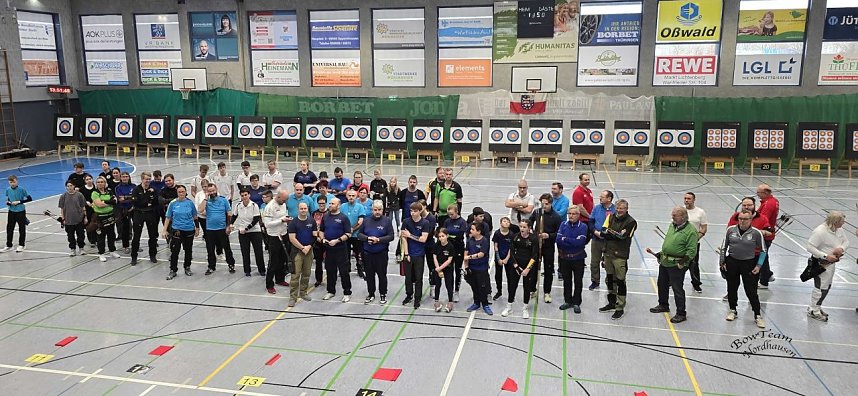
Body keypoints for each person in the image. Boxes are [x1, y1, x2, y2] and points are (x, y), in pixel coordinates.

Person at [648, 207, 698, 324]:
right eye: (672, 215)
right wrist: (661, 254)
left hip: (677, 264)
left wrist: (682, 262)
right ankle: (663, 305)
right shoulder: (672, 225)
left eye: (675, 215)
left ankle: (681, 313)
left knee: (677, 288)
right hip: (665, 261)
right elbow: (669, 242)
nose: (672, 217)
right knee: (662, 284)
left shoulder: (691, 231)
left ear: (683, 217)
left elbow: (691, 251)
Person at [720, 209, 767, 328]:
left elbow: (763, 250)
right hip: (732, 262)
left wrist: (758, 265)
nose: (742, 221)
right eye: (740, 219)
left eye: (745, 219)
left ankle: (757, 315)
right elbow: (724, 247)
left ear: (751, 220)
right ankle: (733, 310)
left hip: (748, 264)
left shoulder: (756, 233)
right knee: (732, 288)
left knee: (751, 291)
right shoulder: (730, 230)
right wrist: (722, 262)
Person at [806, 211, 849, 322]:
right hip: (821, 263)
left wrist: (841, 249)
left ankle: (817, 306)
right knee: (820, 287)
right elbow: (810, 247)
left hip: (831, 264)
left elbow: (846, 241)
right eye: (842, 221)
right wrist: (825, 256)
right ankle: (814, 311)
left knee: (827, 286)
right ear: (835, 222)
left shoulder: (839, 230)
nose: (843, 223)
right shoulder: (820, 231)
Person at [597, 199, 636, 320]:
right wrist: (615, 233)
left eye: (622, 208)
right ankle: (612, 302)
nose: (619, 210)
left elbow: (623, 237)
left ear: (626, 209)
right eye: (618, 208)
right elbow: (603, 232)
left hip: (620, 256)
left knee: (620, 281)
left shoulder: (631, 222)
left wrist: (611, 232)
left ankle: (620, 307)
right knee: (609, 279)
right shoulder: (610, 217)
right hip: (608, 254)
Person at [358, 200, 395, 305]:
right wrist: (367, 238)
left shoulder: (387, 221)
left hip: (381, 254)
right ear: (372, 210)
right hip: (368, 253)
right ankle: (371, 294)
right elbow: (359, 235)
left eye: (379, 210)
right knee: (369, 275)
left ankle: (383, 294)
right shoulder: (366, 221)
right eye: (375, 210)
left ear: (382, 210)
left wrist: (379, 240)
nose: (377, 212)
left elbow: (391, 236)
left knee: (382, 275)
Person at [556, 206, 589, 314]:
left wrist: (565, 239)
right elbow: (558, 240)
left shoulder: (583, 226)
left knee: (578, 281)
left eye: (573, 214)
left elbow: (580, 243)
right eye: (569, 213)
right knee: (567, 281)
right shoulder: (563, 224)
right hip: (565, 258)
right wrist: (572, 240)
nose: (571, 216)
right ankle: (568, 301)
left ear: (578, 215)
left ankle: (576, 303)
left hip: (578, 259)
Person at [198, 182, 236, 275]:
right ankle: (211, 267)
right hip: (210, 229)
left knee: (226, 248)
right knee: (210, 249)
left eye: (213, 190)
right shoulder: (206, 201)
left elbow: (229, 213)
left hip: (222, 229)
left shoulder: (223, 200)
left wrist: (228, 226)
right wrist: (205, 198)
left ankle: (231, 264)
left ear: (216, 190)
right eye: (210, 191)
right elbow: (200, 210)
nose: (212, 192)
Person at [320, 198, 352, 302]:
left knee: (343, 272)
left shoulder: (343, 218)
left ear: (338, 206)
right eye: (329, 203)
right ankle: (330, 291)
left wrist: (337, 240)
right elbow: (321, 230)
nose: (330, 205)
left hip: (341, 249)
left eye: (332, 203)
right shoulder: (325, 216)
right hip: (329, 249)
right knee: (330, 270)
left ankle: (347, 292)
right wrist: (323, 239)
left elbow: (348, 234)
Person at [163, 185, 198, 280]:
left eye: (183, 191)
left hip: (189, 230)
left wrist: (197, 228)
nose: (181, 193)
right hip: (177, 230)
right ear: (177, 193)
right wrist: (164, 230)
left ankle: (187, 267)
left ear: (186, 192)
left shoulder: (190, 203)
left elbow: (195, 217)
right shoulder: (173, 203)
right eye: (179, 192)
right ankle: (173, 270)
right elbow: (168, 217)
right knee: (175, 251)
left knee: (188, 250)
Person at [532, 194, 562, 303]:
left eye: (546, 204)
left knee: (548, 270)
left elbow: (559, 233)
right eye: (542, 203)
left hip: (548, 246)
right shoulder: (537, 212)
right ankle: (533, 289)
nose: (544, 206)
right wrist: (533, 233)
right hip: (536, 245)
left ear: (551, 203)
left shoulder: (556, 217)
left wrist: (548, 235)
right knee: (534, 268)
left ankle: (547, 292)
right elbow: (530, 223)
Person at [401, 202, 430, 309]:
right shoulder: (406, 222)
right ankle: (409, 295)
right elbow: (403, 238)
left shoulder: (425, 223)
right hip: (409, 254)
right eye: (411, 211)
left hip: (419, 255)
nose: (412, 213)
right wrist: (406, 253)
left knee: (418, 278)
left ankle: (417, 298)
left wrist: (410, 235)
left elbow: (423, 239)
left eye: (415, 211)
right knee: (408, 277)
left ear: (420, 211)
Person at [288, 202, 317, 307]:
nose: (303, 210)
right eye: (301, 209)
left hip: (309, 251)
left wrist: (308, 246)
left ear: (307, 209)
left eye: (305, 208)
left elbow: (314, 236)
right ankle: (293, 297)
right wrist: (302, 248)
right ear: (298, 209)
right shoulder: (293, 223)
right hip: (297, 252)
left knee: (306, 273)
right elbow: (292, 238)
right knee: (295, 275)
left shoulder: (312, 221)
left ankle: (303, 292)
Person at [510, 220, 539, 319]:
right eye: (520, 226)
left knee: (527, 287)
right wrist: (516, 266)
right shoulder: (515, 237)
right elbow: (512, 253)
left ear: (529, 228)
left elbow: (534, 256)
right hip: (516, 266)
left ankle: (525, 308)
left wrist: (527, 269)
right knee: (512, 286)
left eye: (524, 227)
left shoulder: (533, 239)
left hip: (528, 268)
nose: (521, 229)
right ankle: (509, 306)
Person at [262, 190, 290, 294]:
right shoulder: (269, 207)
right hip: (274, 236)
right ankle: (269, 284)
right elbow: (267, 224)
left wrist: (287, 220)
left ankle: (280, 279)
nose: (285, 201)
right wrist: (281, 221)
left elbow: (284, 215)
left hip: (284, 233)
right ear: (278, 197)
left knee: (282, 259)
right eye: (283, 200)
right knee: (273, 261)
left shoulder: (283, 204)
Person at [129, 172, 159, 265]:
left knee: (152, 236)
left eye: (149, 179)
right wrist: (147, 201)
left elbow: (156, 201)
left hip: (150, 213)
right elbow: (136, 203)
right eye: (146, 179)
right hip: (139, 213)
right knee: (136, 236)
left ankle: (153, 255)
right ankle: (134, 257)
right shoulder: (136, 189)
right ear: (142, 179)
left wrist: (147, 202)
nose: (148, 181)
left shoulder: (153, 189)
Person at [233, 189, 265, 277]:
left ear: (249, 195)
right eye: (242, 195)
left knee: (258, 251)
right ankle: (247, 270)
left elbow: (256, 219)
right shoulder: (238, 205)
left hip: (255, 231)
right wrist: (231, 224)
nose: (244, 197)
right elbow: (234, 216)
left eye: (246, 195)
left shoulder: (254, 205)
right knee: (245, 252)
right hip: (243, 232)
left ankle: (262, 270)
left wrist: (247, 228)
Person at [588, 190, 615, 290]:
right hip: (596, 239)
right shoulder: (596, 208)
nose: (600, 198)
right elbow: (590, 222)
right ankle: (595, 281)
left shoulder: (615, 210)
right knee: (594, 262)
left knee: (609, 263)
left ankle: (610, 282)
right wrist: (595, 232)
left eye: (602, 197)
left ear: (609, 199)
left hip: (610, 241)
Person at [464, 222, 492, 315]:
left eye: (473, 229)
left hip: (481, 268)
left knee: (482, 287)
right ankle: (476, 303)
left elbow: (481, 254)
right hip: (472, 267)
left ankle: (485, 304)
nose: (470, 231)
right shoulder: (470, 240)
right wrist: (466, 267)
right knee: (474, 286)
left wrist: (470, 257)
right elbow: (466, 252)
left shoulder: (484, 241)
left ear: (479, 231)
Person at [91, 176, 121, 262]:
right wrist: (109, 202)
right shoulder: (94, 193)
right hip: (100, 217)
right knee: (101, 236)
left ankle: (112, 251)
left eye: (102, 182)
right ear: (96, 184)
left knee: (111, 234)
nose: (100, 183)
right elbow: (99, 204)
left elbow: (115, 201)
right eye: (98, 182)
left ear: (105, 183)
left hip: (110, 215)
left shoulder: (109, 191)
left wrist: (105, 202)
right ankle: (101, 253)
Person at [683, 192, 708, 293]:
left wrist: (695, 239)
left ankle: (696, 283)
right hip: (681, 243)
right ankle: (673, 281)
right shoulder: (680, 211)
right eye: (685, 198)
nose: (686, 200)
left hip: (693, 243)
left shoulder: (700, 212)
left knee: (693, 264)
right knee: (677, 262)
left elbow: (704, 228)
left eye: (689, 198)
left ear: (694, 200)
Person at [443, 204, 468, 302]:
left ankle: (456, 290)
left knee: (457, 270)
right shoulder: (447, 221)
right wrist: (451, 234)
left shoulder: (462, 222)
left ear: (457, 212)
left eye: (452, 214)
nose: (450, 216)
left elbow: (460, 234)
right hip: (449, 248)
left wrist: (450, 234)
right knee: (449, 270)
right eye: (449, 214)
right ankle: (450, 290)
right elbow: (444, 232)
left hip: (458, 248)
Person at [756, 184, 779, 288]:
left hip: (765, 235)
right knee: (764, 255)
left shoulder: (768, 204)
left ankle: (764, 281)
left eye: (759, 192)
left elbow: (762, 219)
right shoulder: (773, 201)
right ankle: (768, 274)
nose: (757, 194)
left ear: (765, 193)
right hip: (767, 233)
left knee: (762, 256)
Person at [2, 175, 31, 253]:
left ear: (17, 181)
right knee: (9, 228)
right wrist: (8, 202)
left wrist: (19, 202)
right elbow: (9, 198)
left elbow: (29, 198)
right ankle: (9, 245)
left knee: (21, 228)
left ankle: (22, 245)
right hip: (11, 211)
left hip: (20, 211)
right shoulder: (8, 190)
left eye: (14, 182)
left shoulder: (22, 189)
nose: (12, 184)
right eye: (11, 182)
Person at [342, 189, 366, 278]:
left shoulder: (360, 207)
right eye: (349, 195)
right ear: (346, 196)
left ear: (356, 196)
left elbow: (360, 221)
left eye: (353, 196)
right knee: (345, 253)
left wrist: (353, 229)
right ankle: (346, 269)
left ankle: (360, 269)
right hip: (345, 235)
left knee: (358, 253)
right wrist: (347, 230)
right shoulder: (342, 206)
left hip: (356, 235)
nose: (351, 197)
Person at [59, 181, 87, 256]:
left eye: (71, 185)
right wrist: (63, 219)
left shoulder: (79, 195)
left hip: (79, 219)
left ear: (74, 186)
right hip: (68, 220)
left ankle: (81, 248)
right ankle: (72, 249)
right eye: (68, 186)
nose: (69, 187)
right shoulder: (63, 196)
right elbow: (62, 209)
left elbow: (83, 206)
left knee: (81, 235)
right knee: (70, 236)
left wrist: (85, 217)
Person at [432, 228, 456, 312]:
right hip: (438, 267)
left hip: (447, 268)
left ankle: (450, 301)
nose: (441, 238)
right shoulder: (436, 245)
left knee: (449, 285)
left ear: (447, 236)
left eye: (443, 236)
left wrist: (440, 268)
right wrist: (438, 269)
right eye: (439, 237)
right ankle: (436, 301)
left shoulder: (450, 246)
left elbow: (449, 260)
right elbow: (434, 257)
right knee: (437, 285)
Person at [492, 217, 514, 301]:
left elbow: (511, 248)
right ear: (501, 223)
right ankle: (499, 291)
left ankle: (510, 293)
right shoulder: (497, 233)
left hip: (508, 258)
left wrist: (506, 259)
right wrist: (498, 259)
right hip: (499, 258)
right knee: (498, 275)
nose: (506, 223)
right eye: (504, 221)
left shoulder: (511, 234)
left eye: (508, 222)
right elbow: (496, 246)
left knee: (510, 276)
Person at [312, 194, 328, 287]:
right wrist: (317, 237)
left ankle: (331, 278)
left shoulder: (329, 213)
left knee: (329, 261)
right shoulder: (314, 213)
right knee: (318, 261)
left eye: (323, 203)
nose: (321, 205)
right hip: (317, 240)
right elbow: (312, 226)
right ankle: (318, 279)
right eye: (319, 203)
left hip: (328, 240)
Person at [81, 174, 98, 248]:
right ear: (85, 181)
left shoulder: (96, 187)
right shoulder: (82, 189)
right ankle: (92, 240)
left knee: (97, 223)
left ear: (92, 179)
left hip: (96, 208)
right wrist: (86, 202)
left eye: (90, 179)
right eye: (87, 179)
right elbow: (81, 199)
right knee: (89, 224)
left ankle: (97, 238)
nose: (89, 180)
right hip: (87, 209)